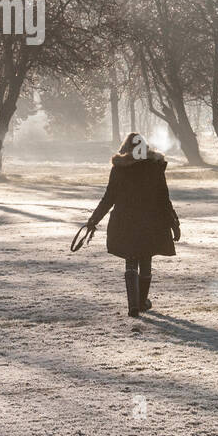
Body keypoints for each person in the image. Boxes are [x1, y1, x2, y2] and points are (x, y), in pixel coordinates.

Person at [83, 132, 181, 317]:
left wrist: (93, 220)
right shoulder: (154, 167)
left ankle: (133, 305)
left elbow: (108, 198)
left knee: (131, 259)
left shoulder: (119, 169)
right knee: (145, 259)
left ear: (126, 148)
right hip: (150, 221)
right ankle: (142, 302)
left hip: (125, 221)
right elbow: (163, 198)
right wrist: (174, 222)